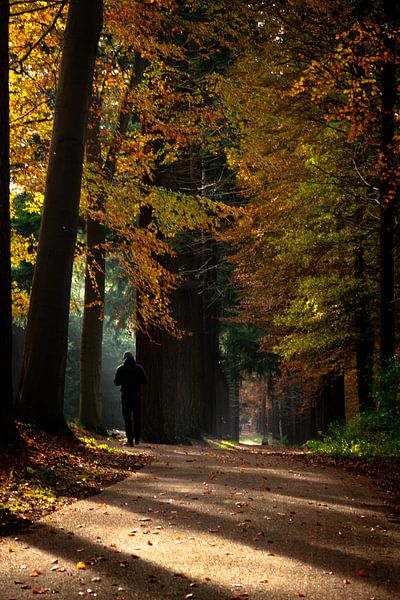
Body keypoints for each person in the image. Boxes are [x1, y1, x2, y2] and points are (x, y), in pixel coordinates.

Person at [114, 351, 147, 447]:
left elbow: (116, 382)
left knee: (127, 419)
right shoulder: (139, 368)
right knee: (137, 418)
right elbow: (144, 381)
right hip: (137, 396)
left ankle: (130, 440)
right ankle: (137, 439)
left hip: (125, 397)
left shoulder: (120, 369)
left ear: (124, 358)